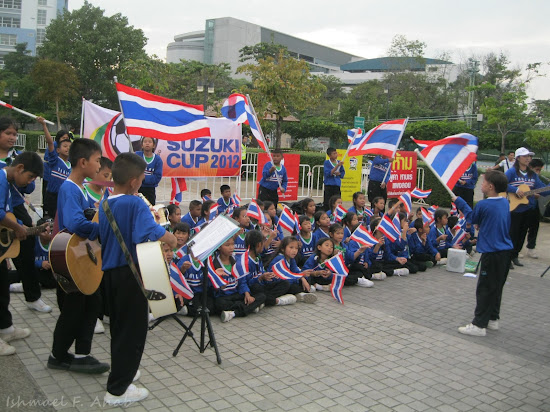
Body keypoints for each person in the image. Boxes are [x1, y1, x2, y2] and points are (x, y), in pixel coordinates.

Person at [99, 152, 177, 404]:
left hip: (111, 275)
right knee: (132, 331)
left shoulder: (107, 201)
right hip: (130, 275)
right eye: (143, 177)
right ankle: (117, 390)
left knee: (120, 330)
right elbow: (146, 231)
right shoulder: (134, 203)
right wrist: (169, 238)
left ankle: (123, 372)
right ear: (134, 181)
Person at [48, 138, 110, 374]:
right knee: (73, 310)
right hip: (71, 259)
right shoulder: (69, 188)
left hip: (80, 256)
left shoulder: (78, 188)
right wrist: (101, 229)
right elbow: (75, 222)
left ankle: (83, 354)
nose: (98, 165)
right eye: (96, 160)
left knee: (92, 303)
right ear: (83, 162)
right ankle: (58, 355)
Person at [453, 170, 514, 337]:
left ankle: (479, 325)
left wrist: (459, 201)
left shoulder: (484, 204)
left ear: (491, 186)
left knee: (485, 288)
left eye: (484, 182)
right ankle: (493, 319)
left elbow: (473, 218)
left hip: (492, 252)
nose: (482, 184)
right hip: (505, 252)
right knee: (496, 287)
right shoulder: (504, 202)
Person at [0, 117, 50, 313]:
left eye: (14, 134)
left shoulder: (18, 157)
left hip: (16, 209)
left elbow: (28, 188)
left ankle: (32, 296)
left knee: (27, 254)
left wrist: (27, 181)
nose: (12, 137)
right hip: (5, 214)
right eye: (8, 133)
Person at [0, 151, 44, 355]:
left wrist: (25, 228)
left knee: (2, 287)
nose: (30, 182)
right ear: (19, 168)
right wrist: (18, 228)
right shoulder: (1, 179)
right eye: (30, 177)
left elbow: (9, 213)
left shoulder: (9, 183)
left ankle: (6, 329)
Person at [506, 147, 550, 267]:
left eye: (529, 156)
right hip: (514, 209)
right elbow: (501, 183)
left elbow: (542, 190)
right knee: (512, 233)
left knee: (522, 234)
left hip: (528, 208)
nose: (528, 158)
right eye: (525, 156)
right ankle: (507, 257)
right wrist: (515, 190)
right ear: (518, 158)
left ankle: (515, 255)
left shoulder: (532, 175)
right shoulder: (512, 172)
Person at [214, 237, 266, 323]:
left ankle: (234, 313)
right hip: (224, 296)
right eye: (227, 245)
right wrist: (218, 280)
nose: (231, 247)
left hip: (237, 294)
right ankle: (246, 309)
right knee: (219, 304)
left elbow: (242, 281)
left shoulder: (237, 261)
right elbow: (212, 287)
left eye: (232, 244)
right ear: (219, 247)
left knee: (261, 296)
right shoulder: (214, 263)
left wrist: (247, 294)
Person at [241, 230, 293, 306]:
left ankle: (263, 301)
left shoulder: (258, 257)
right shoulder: (245, 261)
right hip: (253, 288)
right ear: (259, 245)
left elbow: (262, 272)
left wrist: (268, 275)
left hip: (263, 286)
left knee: (285, 283)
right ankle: (276, 301)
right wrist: (260, 278)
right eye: (263, 242)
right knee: (256, 288)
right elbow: (247, 282)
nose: (265, 245)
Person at [267, 237, 317, 303]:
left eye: (296, 248)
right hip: (277, 283)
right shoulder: (280, 259)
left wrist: (302, 278)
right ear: (283, 249)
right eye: (291, 247)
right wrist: (299, 277)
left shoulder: (291, 258)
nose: (294, 251)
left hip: (290, 280)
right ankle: (296, 295)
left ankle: (300, 293)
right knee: (291, 286)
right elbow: (285, 277)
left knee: (306, 277)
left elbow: (296, 270)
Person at [42, 120, 72, 218]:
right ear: (58, 149)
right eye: (65, 146)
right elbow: (50, 142)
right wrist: (44, 125)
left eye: (70, 147)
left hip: (62, 197)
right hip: (51, 196)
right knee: (49, 220)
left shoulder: (71, 165)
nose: (67, 148)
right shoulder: (55, 160)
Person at [524, 158, 547, 258]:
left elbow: (544, 190)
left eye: (540, 170)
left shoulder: (537, 178)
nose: (538, 172)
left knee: (534, 227)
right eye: (537, 169)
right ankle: (516, 250)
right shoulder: (522, 176)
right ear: (530, 167)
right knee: (521, 229)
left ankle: (531, 248)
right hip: (522, 206)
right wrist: (533, 194)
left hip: (534, 205)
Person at [136, 137, 163, 205]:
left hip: (150, 190)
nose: (147, 143)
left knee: (150, 209)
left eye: (149, 142)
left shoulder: (157, 159)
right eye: (145, 142)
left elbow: (157, 177)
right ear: (142, 145)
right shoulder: (137, 156)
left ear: (154, 145)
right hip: (136, 188)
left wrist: (143, 177)